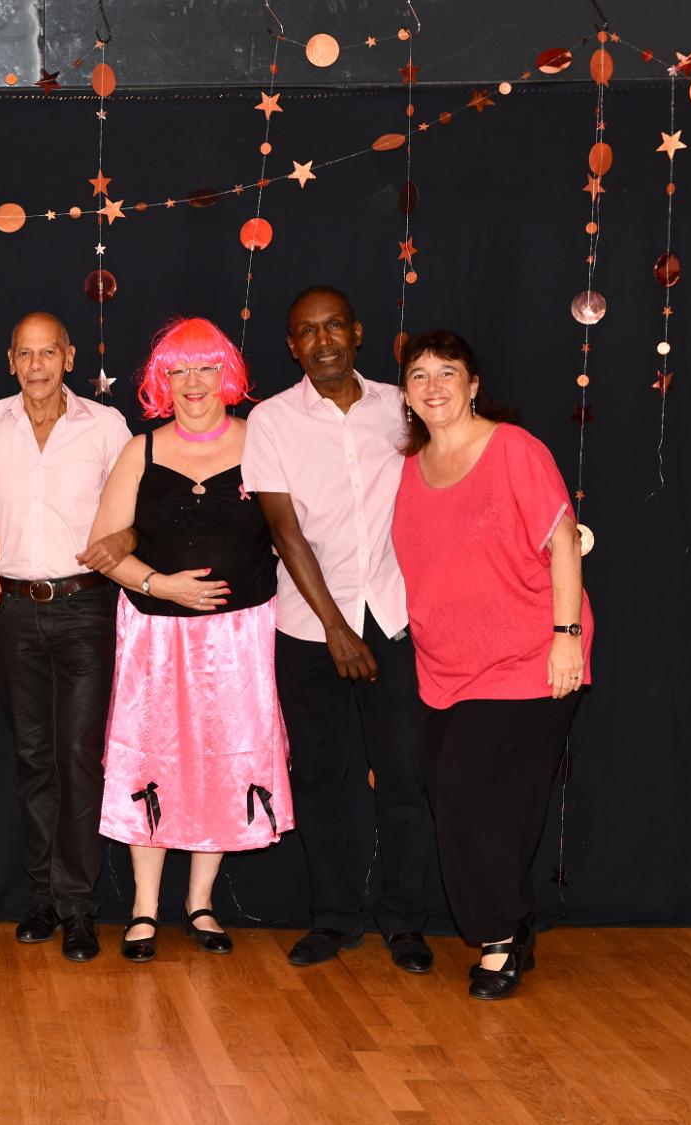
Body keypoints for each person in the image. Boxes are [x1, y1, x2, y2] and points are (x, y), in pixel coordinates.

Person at [84, 317, 295, 962]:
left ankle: (200, 903)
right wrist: (162, 585)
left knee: (225, 761)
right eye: (179, 371)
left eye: (206, 368)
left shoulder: (263, 442)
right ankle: (144, 908)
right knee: (152, 761)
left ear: (227, 376)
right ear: (162, 382)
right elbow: (102, 549)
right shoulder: (139, 451)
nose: (194, 382)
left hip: (240, 639)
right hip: (155, 638)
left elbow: (294, 535)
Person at [390, 330, 591, 1000]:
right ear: (406, 394)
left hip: (530, 656)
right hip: (445, 667)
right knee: (456, 800)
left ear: (473, 385)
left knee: (472, 795)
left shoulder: (513, 449)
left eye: (448, 372)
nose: (434, 386)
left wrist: (566, 635)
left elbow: (563, 542)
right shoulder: (410, 468)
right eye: (420, 375)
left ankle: (501, 937)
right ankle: (514, 922)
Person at [243, 286, 438, 973]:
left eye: (333, 327)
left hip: (393, 617)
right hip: (310, 628)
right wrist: (334, 627)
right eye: (307, 331)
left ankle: (406, 921)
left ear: (356, 332)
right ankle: (333, 918)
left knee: (405, 776)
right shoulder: (270, 420)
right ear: (291, 346)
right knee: (321, 777)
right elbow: (283, 530)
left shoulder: (403, 406)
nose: (322, 340)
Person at [0, 312, 131, 962]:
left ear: (69, 357)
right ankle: (41, 898)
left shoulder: (107, 426)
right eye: (25, 354)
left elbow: (137, 505)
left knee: (78, 757)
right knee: (33, 757)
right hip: (10, 610)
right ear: (10, 360)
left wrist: (125, 538)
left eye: (48, 353)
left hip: (84, 607)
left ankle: (79, 907)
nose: (37, 366)